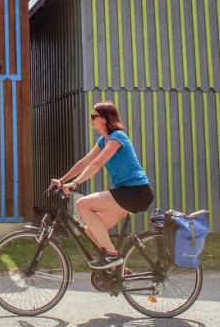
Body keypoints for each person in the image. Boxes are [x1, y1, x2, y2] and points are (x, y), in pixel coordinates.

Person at [50, 102, 154, 269]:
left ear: (105, 119)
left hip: (136, 192)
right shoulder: (102, 141)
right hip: (125, 193)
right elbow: (85, 162)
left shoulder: (118, 137)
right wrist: (62, 180)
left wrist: (75, 183)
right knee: (91, 231)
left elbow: (97, 163)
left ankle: (111, 256)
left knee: (82, 204)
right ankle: (118, 269)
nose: (90, 119)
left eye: (94, 116)